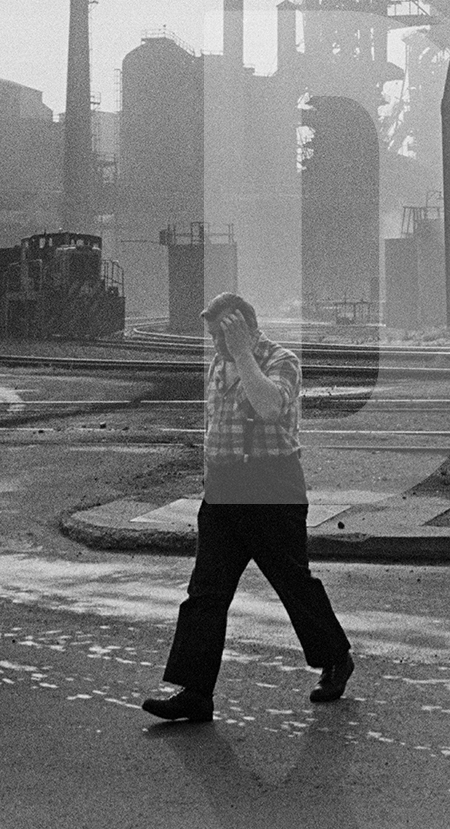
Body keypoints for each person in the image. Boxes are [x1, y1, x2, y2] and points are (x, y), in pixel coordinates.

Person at [143, 292, 353, 723]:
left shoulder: (281, 360)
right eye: (212, 335)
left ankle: (336, 660)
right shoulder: (219, 361)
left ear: (242, 326)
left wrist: (241, 354)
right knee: (205, 593)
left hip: (272, 488)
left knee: (293, 583)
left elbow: (270, 406)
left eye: (220, 333)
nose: (214, 343)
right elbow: (216, 426)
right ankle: (195, 692)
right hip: (223, 491)